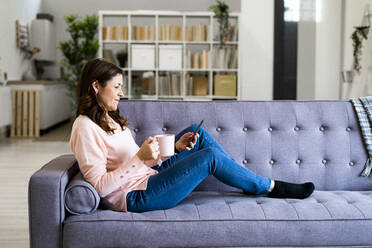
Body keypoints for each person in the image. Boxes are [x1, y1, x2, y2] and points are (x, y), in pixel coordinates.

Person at [69, 58, 315, 213]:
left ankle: (249, 182)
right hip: (135, 197)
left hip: (146, 177)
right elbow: (99, 187)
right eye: (117, 87)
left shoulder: (110, 118)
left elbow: (137, 164)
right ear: (96, 86)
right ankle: (268, 186)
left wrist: (174, 148)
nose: (122, 93)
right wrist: (138, 159)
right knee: (209, 157)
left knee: (196, 132)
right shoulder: (84, 127)